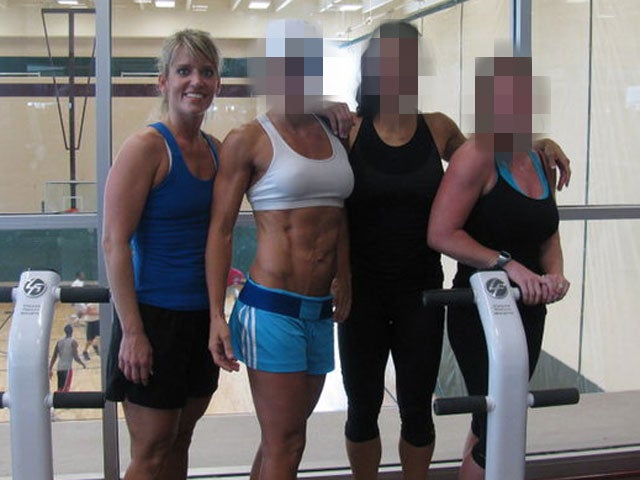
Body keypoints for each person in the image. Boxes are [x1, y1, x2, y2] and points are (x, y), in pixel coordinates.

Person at [329, 21, 572, 480]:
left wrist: (539, 143)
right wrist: (322, 106)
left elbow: (492, 154)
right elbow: (329, 199)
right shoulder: (350, 131)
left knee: (417, 410)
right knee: (361, 408)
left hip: (422, 292)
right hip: (361, 292)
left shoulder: (438, 128)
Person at [205, 19, 353, 480]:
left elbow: (339, 216)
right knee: (286, 443)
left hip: (319, 310)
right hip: (272, 309)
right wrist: (216, 315)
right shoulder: (248, 139)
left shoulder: (335, 129)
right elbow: (220, 232)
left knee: (283, 441)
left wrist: (345, 277)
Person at [427, 55, 569, 480]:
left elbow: (548, 233)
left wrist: (554, 274)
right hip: (481, 310)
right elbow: (441, 233)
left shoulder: (540, 158)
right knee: (499, 424)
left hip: (529, 309)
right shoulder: (476, 156)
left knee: (489, 419)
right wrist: (508, 265)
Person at [102, 28, 222, 480]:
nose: (196, 81)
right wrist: (133, 332)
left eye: (206, 72)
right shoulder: (146, 148)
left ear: (217, 84)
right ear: (163, 81)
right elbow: (114, 243)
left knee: (181, 439)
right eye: (184, 70)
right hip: (153, 319)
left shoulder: (217, 150)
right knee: (151, 451)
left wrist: (324, 109)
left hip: (200, 319)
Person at [71, 271, 101, 360]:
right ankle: (85, 351)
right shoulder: (90, 303)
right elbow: (88, 312)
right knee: (90, 339)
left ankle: (95, 346)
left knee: (97, 336)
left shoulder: (96, 301)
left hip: (96, 320)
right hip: (91, 321)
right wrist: (100, 313)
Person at [49, 324, 86, 392]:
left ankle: (58, 398)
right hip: (67, 369)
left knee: (60, 389)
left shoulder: (59, 342)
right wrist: (82, 364)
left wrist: (50, 368)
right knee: (65, 391)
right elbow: (76, 357)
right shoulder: (73, 342)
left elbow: (54, 356)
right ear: (72, 331)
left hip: (59, 368)